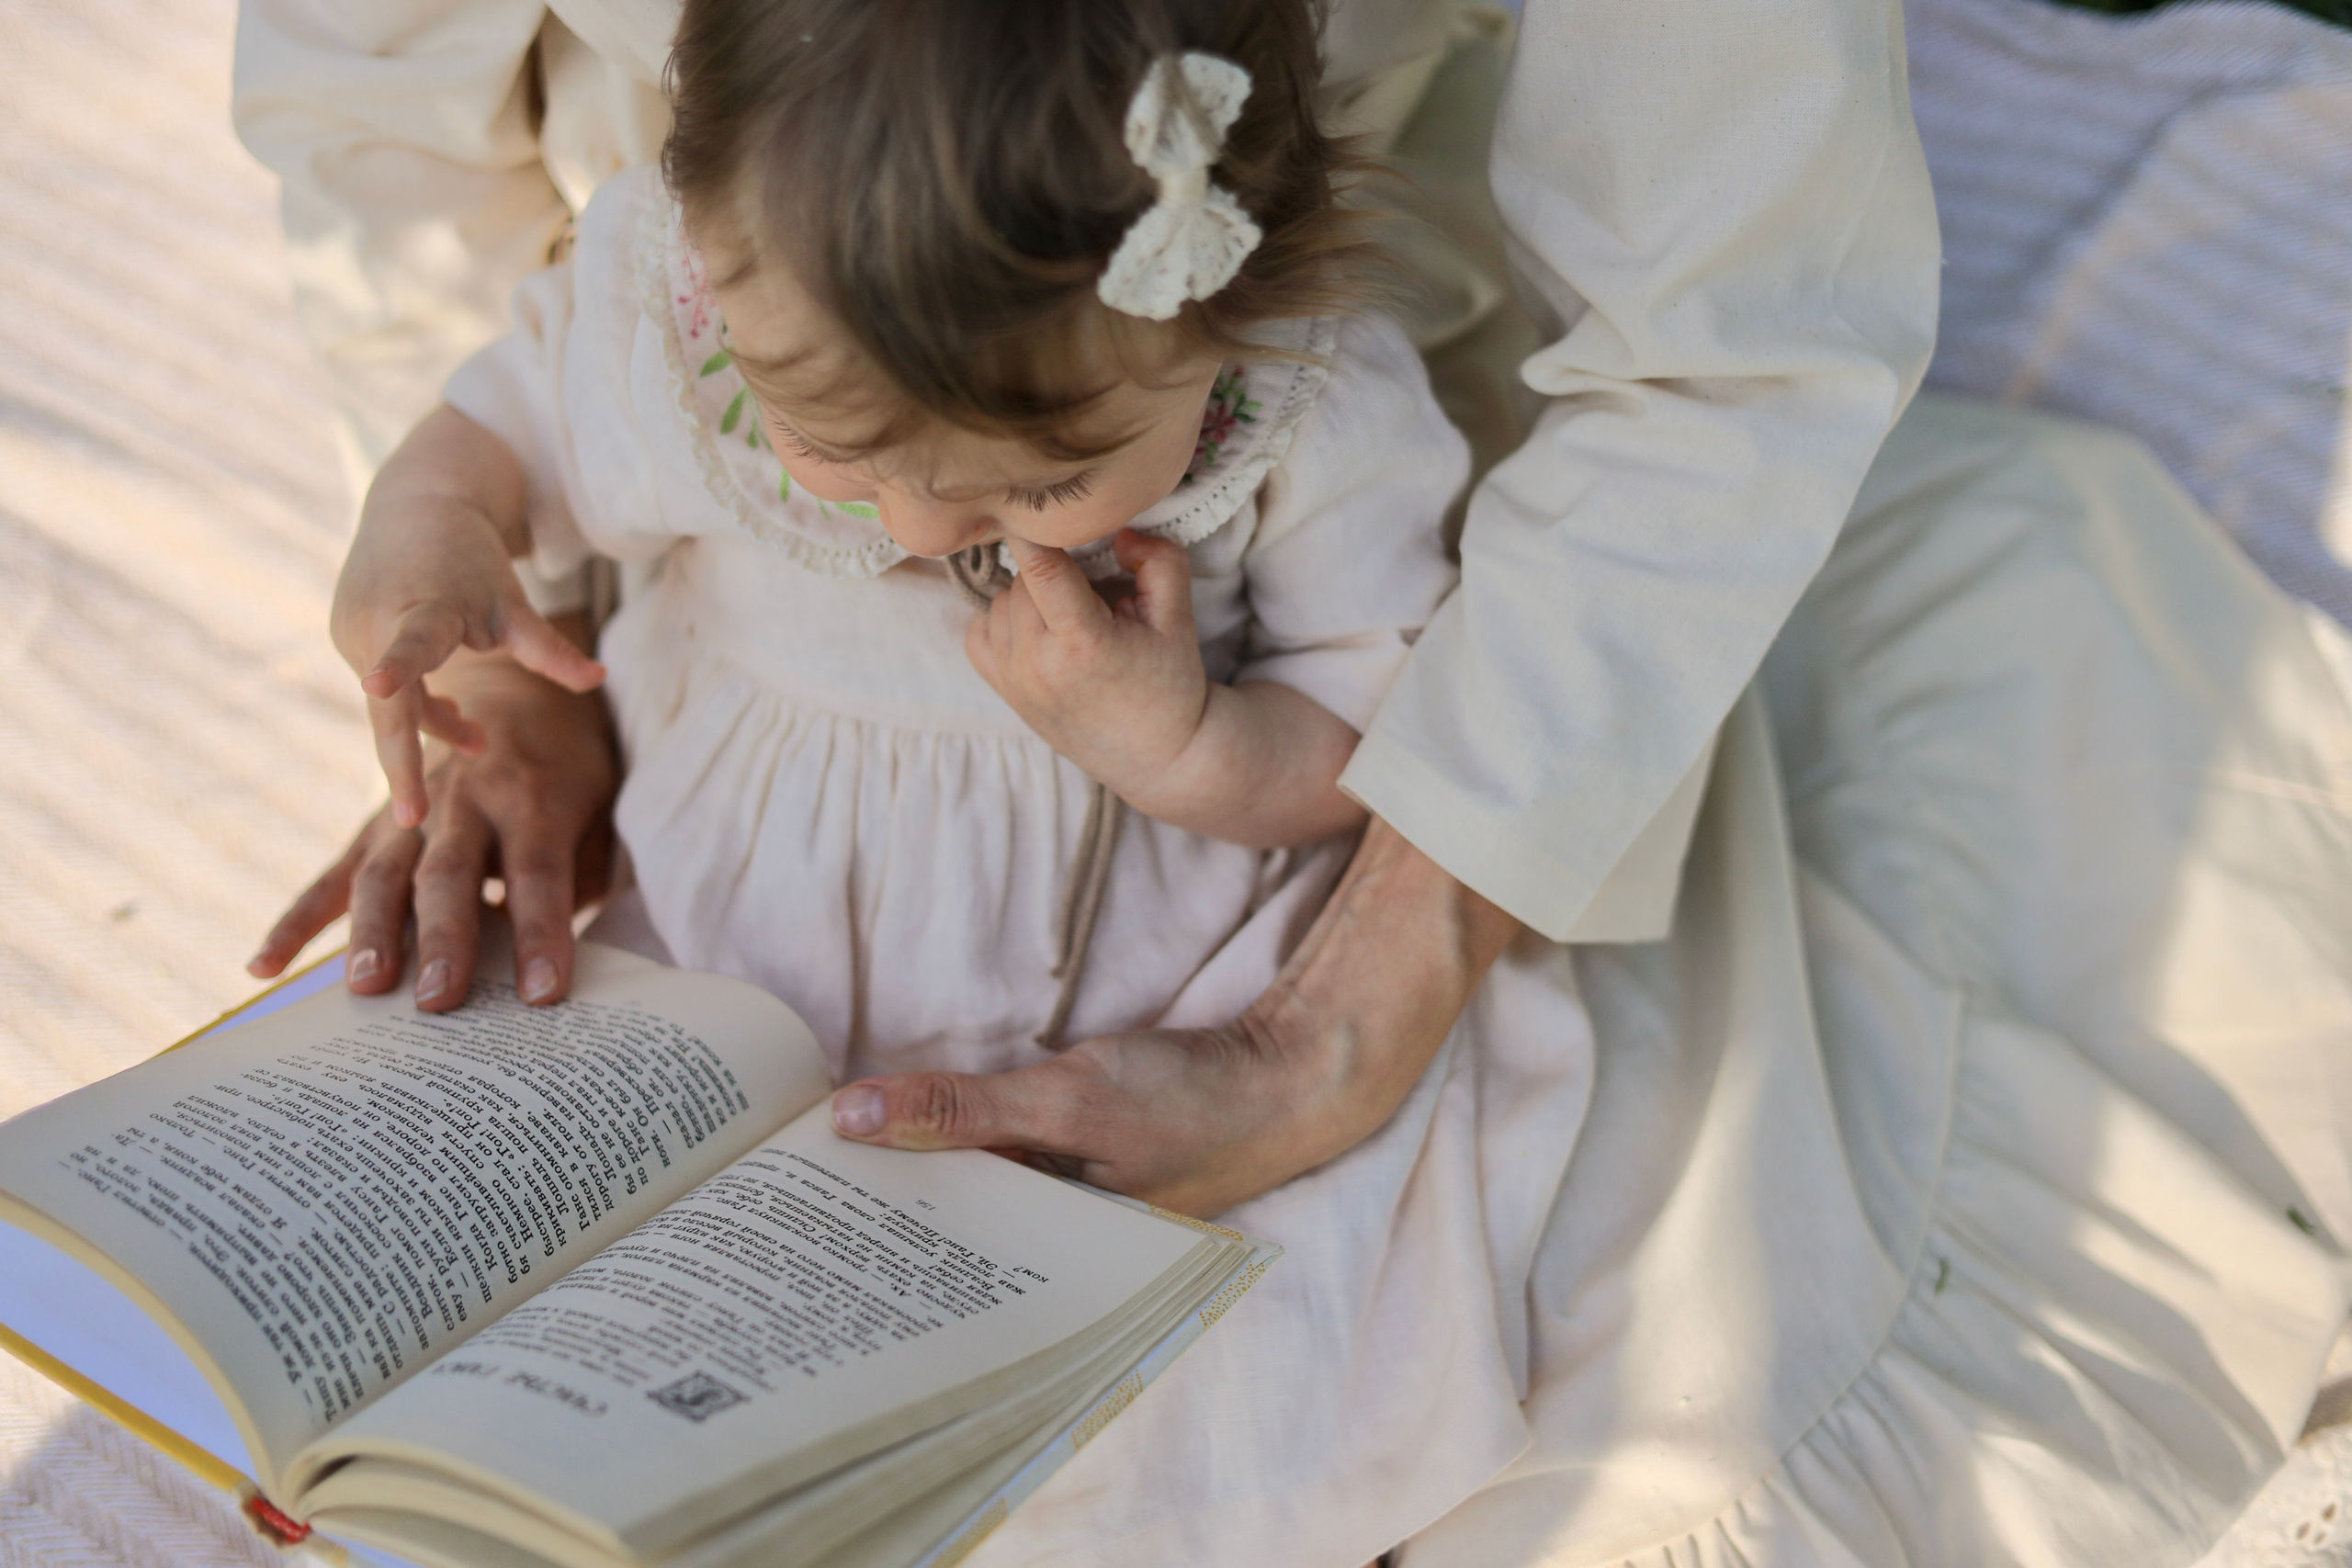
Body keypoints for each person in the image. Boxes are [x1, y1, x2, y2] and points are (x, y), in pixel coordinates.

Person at [235, 0, 2352, 1562]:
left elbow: (1378, 693)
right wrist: (493, 608)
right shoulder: (683, 315)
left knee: (1301, 1352)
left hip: (1142, 896)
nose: (923, 541)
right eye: (857, 472)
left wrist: (1197, 769)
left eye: (1040, 482)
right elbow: (477, 357)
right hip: (752, 873)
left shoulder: (1295, 408)